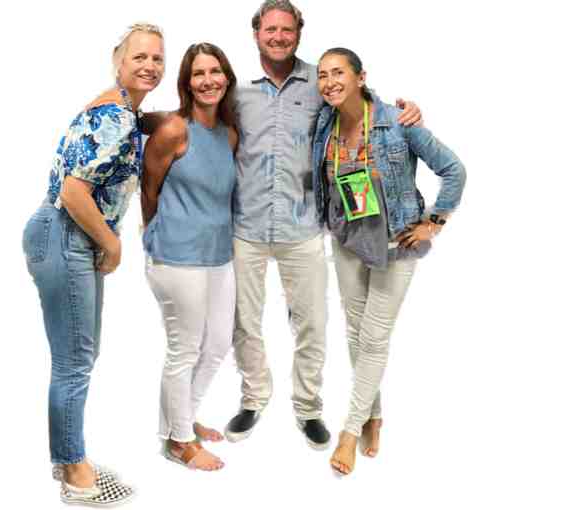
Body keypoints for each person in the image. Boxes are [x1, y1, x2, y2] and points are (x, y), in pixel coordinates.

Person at [224, 0, 422, 450]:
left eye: (287, 30)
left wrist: (406, 111)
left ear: (298, 34)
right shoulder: (237, 91)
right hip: (247, 228)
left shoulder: (320, 82)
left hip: (305, 227)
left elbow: (363, 105)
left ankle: (308, 408)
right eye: (270, 29)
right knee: (245, 323)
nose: (278, 37)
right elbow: (197, 116)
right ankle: (252, 400)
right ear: (256, 33)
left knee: (311, 324)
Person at [22, 23, 165, 505]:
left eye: (157, 59)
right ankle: (74, 473)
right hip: (66, 233)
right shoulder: (116, 118)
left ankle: (70, 457)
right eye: (139, 57)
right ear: (118, 63)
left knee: (78, 357)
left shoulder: (121, 110)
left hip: (64, 236)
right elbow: (73, 192)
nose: (150, 66)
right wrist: (113, 244)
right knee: (74, 361)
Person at [312, 47, 466, 475]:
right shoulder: (324, 123)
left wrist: (434, 221)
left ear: (361, 77)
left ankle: (349, 431)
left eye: (338, 72)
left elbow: (454, 170)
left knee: (375, 337)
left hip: (397, 241)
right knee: (355, 331)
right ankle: (372, 415)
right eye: (322, 75)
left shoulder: (399, 122)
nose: (329, 82)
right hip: (347, 239)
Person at [141, 42, 238, 471]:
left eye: (215, 71)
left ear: (227, 78)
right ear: (187, 82)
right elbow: (149, 190)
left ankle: (181, 422)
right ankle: (180, 442)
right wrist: (153, 233)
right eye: (198, 73)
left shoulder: (229, 134)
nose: (208, 80)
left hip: (218, 255)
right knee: (185, 349)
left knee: (217, 344)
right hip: (176, 255)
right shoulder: (173, 131)